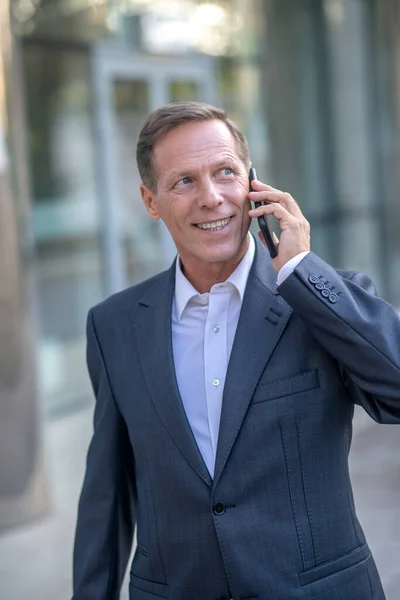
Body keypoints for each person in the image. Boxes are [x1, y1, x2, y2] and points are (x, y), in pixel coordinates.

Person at [72, 101, 400, 600]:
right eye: (184, 181)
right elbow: (107, 499)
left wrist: (301, 270)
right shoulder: (114, 327)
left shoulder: (319, 303)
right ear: (150, 200)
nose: (212, 198)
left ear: (253, 182)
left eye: (225, 173)